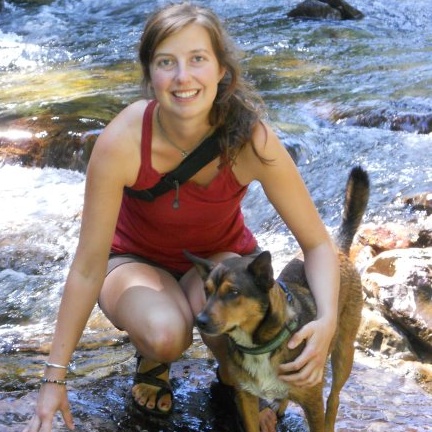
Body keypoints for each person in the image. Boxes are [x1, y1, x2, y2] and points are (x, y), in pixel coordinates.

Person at [23, 2, 340, 432]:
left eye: (197, 60)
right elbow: (87, 267)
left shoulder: (250, 139)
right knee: (167, 334)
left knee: (231, 324)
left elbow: (318, 243)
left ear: (221, 70)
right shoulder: (123, 140)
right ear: (150, 74)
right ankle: (152, 362)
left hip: (213, 265)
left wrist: (326, 322)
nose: (182, 77)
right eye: (166, 63)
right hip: (131, 264)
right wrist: (53, 378)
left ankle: (239, 377)